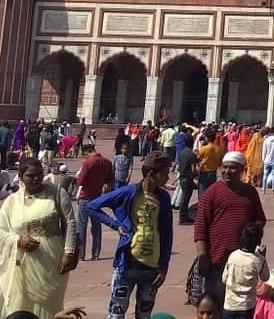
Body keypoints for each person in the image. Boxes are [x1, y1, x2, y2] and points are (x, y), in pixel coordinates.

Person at [85, 152, 174, 319]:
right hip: (127, 264)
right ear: (151, 175)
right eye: (165, 174)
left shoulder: (163, 198)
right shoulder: (128, 192)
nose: (168, 178)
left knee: (144, 314)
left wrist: (163, 267)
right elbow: (92, 206)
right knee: (116, 313)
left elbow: (167, 234)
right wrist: (116, 224)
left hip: (152, 268)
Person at [0, 158, 77, 319]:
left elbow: (70, 222)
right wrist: (17, 240)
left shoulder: (56, 193)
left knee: (49, 301)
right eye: (31, 175)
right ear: (21, 176)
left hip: (51, 260)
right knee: (20, 302)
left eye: (39, 174)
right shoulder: (12, 201)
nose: (36, 179)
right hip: (21, 265)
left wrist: (69, 252)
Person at [194, 151, 267, 300]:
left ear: (242, 170)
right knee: (214, 302)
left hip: (242, 262)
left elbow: (260, 219)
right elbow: (200, 227)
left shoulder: (250, 193)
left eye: (232, 168)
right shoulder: (211, 193)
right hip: (216, 261)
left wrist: (253, 238)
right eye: (224, 167)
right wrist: (202, 256)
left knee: (240, 304)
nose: (227, 171)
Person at [222, 224, 269, 319]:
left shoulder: (233, 256)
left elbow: (224, 279)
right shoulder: (258, 259)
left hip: (230, 305)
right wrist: (263, 257)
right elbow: (265, 277)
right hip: (247, 306)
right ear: (258, 242)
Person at [76, 147, 114, 260]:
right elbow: (109, 180)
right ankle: (96, 253)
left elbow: (80, 181)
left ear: (86, 153)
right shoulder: (107, 162)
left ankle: (81, 254)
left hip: (85, 196)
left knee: (82, 225)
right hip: (97, 197)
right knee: (96, 225)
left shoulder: (87, 162)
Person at [177, 134, 199, 224]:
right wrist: (197, 174)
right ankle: (183, 218)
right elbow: (193, 169)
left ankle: (185, 216)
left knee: (184, 198)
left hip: (182, 177)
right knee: (185, 199)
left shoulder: (182, 153)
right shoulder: (191, 154)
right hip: (188, 178)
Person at [197, 128, 224, 198]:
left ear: (207, 138)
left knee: (202, 192)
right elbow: (220, 162)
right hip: (214, 172)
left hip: (204, 171)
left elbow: (197, 158)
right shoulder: (219, 149)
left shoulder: (203, 148)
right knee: (211, 192)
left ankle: (201, 206)